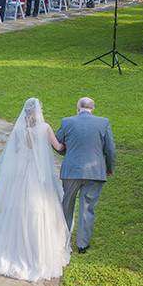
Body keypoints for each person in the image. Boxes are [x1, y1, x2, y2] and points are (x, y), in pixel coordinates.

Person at [0, 98, 71, 281]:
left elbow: (16, 151)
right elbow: (58, 147)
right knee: (41, 207)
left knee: (19, 204)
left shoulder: (19, 130)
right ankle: (39, 247)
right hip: (39, 175)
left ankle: (14, 243)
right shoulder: (45, 128)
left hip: (22, 173)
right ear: (38, 112)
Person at [56, 97, 116, 254]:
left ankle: (63, 240)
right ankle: (82, 245)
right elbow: (110, 149)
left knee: (67, 205)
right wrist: (109, 168)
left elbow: (58, 144)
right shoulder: (103, 122)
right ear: (93, 108)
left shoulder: (67, 122)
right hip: (95, 172)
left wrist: (67, 153)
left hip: (71, 171)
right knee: (87, 207)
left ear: (78, 107)